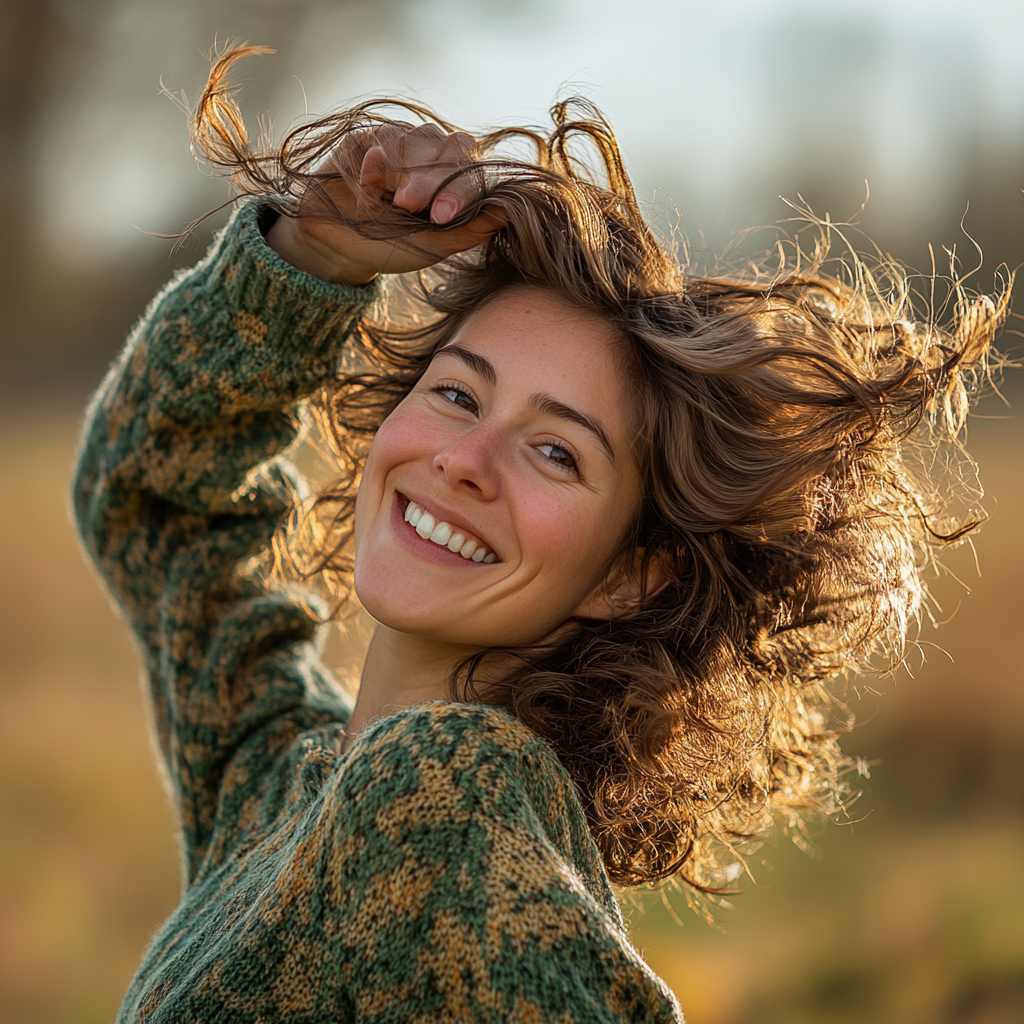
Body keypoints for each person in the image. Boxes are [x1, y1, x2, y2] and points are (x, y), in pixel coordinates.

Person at [73, 46, 1008, 1023]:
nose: (466, 457)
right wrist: (313, 257)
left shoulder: (448, 793)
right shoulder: (278, 782)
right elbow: (152, 501)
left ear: (628, 578)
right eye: (454, 392)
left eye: (556, 453)